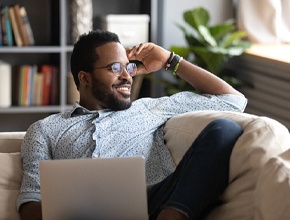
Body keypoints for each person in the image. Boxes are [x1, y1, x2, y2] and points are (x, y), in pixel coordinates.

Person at [17, 29, 247, 220]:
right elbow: (30, 200)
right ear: (84, 78)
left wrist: (170, 60)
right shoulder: (44, 129)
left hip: (156, 203)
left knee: (225, 130)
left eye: (128, 67)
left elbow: (233, 101)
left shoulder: (149, 108)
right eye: (114, 68)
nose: (127, 76)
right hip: (86, 214)